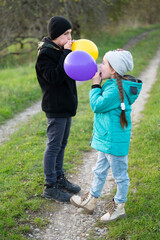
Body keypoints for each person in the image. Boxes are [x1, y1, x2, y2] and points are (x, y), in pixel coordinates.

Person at [70, 50, 142, 221]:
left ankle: (119, 207)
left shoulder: (116, 90)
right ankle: (91, 200)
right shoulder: (113, 85)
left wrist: (95, 85)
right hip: (106, 138)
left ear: (114, 70)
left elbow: (97, 105)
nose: (100, 66)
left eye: (104, 63)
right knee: (99, 170)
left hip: (113, 141)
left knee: (120, 176)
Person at [35, 16, 81, 203]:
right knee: (53, 146)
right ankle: (50, 186)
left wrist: (71, 53)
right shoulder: (46, 54)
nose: (70, 37)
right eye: (66, 34)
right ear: (55, 35)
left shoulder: (61, 50)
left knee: (62, 144)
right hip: (55, 107)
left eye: (70, 33)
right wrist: (66, 54)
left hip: (66, 105)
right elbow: (54, 77)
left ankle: (59, 177)